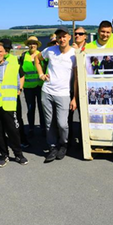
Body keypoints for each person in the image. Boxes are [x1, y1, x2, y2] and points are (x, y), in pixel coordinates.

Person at [34, 26, 78, 163]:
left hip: (64, 93)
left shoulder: (74, 53)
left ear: (69, 37)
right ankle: (52, 146)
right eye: (59, 36)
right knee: (49, 122)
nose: (62, 39)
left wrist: (75, 98)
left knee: (62, 123)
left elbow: (76, 77)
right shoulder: (50, 50)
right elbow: (37, 58)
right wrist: (41, 74)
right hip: (47, 91)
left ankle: (63, 144)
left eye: (64, 36)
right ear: (57, 38)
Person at [0, 42, 28, 167]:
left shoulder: (13, 65)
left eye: (0, 51)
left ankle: (18, 154)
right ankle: (4, 155)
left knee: (13, 130)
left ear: (4, 52)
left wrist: (19, 89)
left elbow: (21, 77)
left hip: (9, 103)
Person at [0, 38, 30, 148]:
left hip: (13, 96)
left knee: (17, 119)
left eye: (8, 49)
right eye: (4, 49)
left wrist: (20, 88)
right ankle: (3, 143)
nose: (6, 51)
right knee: (1, 121)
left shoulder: (14, 59)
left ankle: (21, 138)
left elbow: (21, 75)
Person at [19, 36, 45, 138]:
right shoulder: (23, 56)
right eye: (30, 43)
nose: (32, 45)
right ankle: (31, 128)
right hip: (28, 87)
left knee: (41, 108)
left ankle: (43, 128)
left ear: (37, 45)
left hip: (40, 86)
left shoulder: (41, 55)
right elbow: (20, 72)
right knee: (30, 108)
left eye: (34, 43)